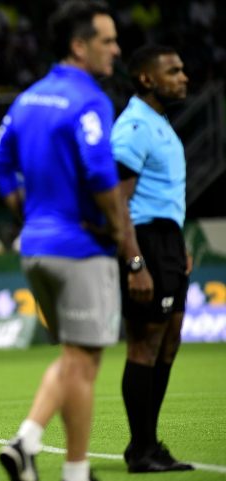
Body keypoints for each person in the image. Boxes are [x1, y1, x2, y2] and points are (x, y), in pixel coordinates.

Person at [0, 2, 124, 481]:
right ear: (79, 46)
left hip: (34, 248)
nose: (116, 49)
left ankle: (50, 458)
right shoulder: (90, 99)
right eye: (107, 40)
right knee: (84, 363)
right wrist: (120, 231)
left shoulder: (28, 99)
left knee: (72, 358)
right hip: (80, 249)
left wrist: (24, 210)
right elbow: (101, 171)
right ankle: (60, 462)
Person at [111, 45, 194, 473]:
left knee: (169, 342)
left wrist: (181, 245)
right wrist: (136, 263)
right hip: (144, 240)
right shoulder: (133, 127)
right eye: (173, 71)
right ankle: (140, 449)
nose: (184, 77)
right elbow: (118, 202)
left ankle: (149, 443)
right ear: (147, 78)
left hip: (168, 239)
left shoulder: (159, 124)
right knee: (143, 346)